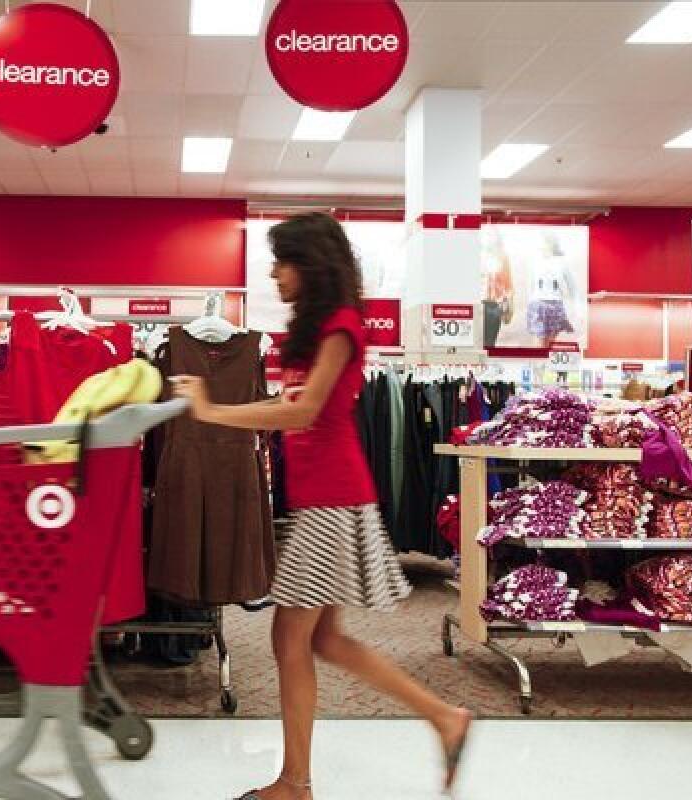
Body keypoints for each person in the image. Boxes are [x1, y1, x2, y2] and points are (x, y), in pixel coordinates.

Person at [171, 213, 472, 799]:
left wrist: (214, 412)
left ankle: (295, 784)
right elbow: (295, 405)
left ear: (311, 264)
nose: (274, 272)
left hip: (334, 500)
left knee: (290, 640)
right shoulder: (311, 332)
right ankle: (442, 718)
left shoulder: (341, 326)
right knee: (324, 641)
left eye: (282, 261)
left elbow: (302, 415)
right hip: (322, 499)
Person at [525, 233, 576, 349]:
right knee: (539, 342)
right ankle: (536, 365)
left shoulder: (562, 263)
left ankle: (546, 366)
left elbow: (572, 287)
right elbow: (530, 285)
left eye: (545, 243)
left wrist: (576, 309)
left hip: (555, 304)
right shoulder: (535, 262)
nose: (542, 247)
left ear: (552, 245)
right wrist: (530, 303)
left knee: (550, 344)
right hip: (538, 304)